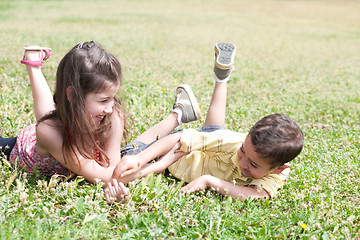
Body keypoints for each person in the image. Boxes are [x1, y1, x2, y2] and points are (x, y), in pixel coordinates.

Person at [105, 43, 304, 203]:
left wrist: (210, 181)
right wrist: (141, 161)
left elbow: (257, 196)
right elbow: (179, 138)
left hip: (210, 158)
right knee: (123, 160)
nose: (242, 162)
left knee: (212, 131)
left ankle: (219, 79)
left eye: (252, 164)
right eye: (243, 152)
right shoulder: (233, 143)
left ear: (279, 169)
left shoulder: (277, 173)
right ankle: (178, 114)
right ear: (245, 138)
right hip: (173, 155)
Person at [0, 41, 201, 185]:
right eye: (103, 100)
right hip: (24, 147)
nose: (110, 107)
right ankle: (33, 66)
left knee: (129, 151)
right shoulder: (49, 131)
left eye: (112, 98)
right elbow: (105, 178)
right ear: (73, 94)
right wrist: (159, 165)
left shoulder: (112, 116)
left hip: (72, 121)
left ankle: (179, 114)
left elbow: (113, 170)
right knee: (49, 117)